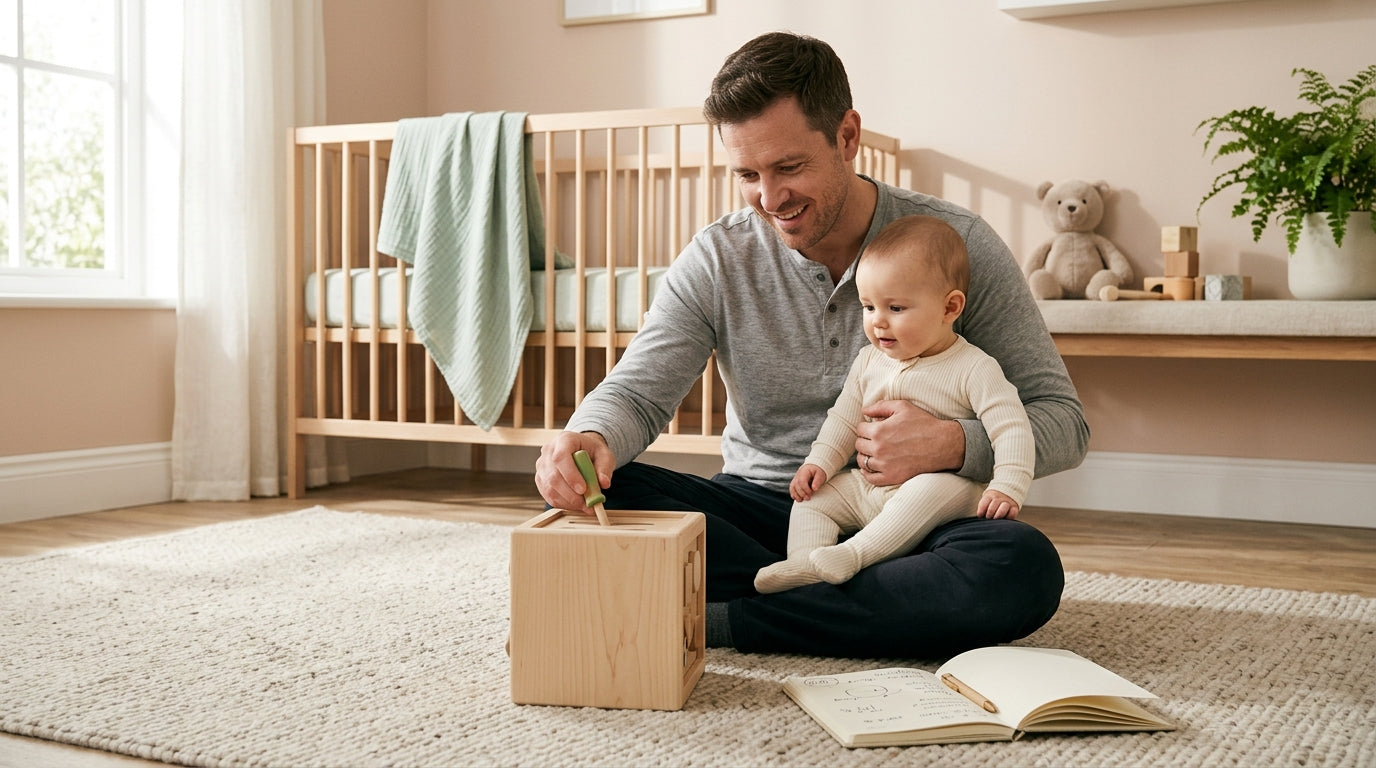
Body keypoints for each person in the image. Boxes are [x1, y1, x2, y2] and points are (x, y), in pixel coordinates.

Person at [535, 31, 1088, 659]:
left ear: (847, 137)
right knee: (605, 491)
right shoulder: (718, 256)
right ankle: (844, 606)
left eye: (789, 167)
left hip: (913, 521)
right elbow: (637, 393)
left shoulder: (956, 246)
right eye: (748, 175)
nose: (771, 199)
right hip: (761, 513)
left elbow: (1062, 422)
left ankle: (726, 620)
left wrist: (953, 444)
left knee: (1021, 566)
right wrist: (587, 438)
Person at [754, 214, 1035, 594]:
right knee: (814, 499)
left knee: (930, 490)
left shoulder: (974, 368)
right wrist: (818, 463)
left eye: (896, 309)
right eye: (868, 307)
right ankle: (806, 566)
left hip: (943, 490)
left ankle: (852, 556)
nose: (878, 322)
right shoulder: (868, 360)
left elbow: (1012, 427)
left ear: (950, 308)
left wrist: (1007, 486)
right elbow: (843, 420)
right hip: (868, 485)